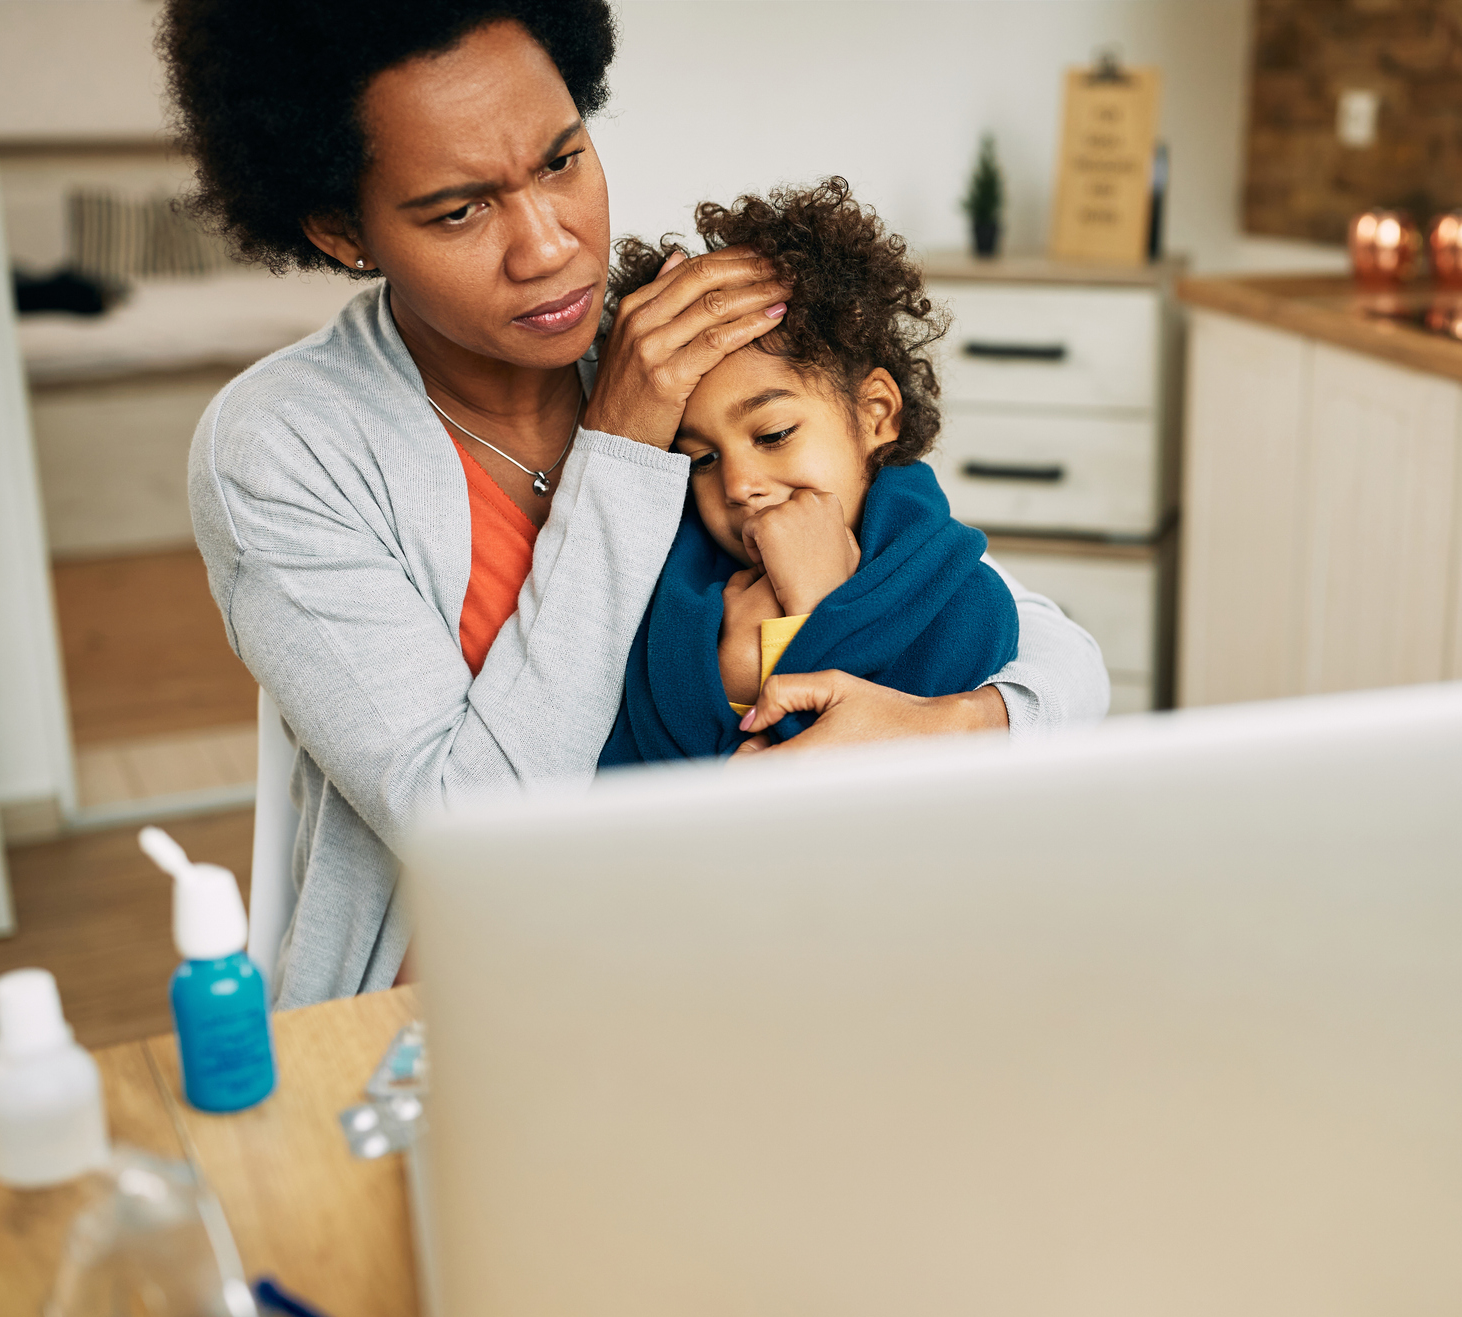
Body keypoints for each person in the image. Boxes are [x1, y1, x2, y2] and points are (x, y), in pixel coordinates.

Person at [162, 0, 1109, 1008]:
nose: (550, 247)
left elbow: (1055, 656)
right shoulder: (286, 445)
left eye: (562, 160)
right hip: (458, 1014)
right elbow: (473, 830)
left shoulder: (692, 350)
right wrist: (620, 449)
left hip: (749, 961)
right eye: (461, 210)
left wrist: (959, 722)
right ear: (342, 228)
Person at [599, 179, 1019, 763]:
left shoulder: (961, 595)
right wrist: (721, 686)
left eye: (773, 435)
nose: (739, 485)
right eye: (702, 459)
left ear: (876, 413)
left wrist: (808, 616)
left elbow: (872, 796)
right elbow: (626, 776)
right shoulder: (669, 587)